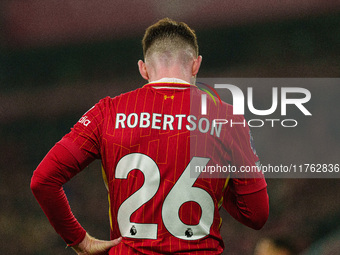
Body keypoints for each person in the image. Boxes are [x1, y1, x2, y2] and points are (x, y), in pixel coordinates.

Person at [31, 18, 269, 254]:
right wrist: (221, 183)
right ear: (196, 65)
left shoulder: (107, 112)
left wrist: (79, 240)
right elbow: (257, 215)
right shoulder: (227, 118)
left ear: (143, 69)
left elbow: (43, 180)